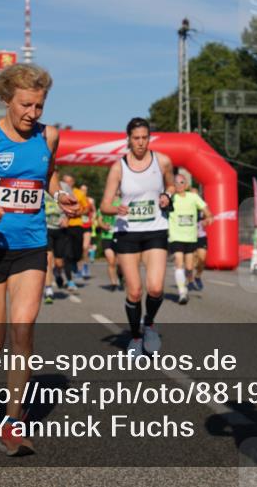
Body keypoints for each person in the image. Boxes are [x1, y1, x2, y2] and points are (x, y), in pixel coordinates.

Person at [0, 63, 78, 456]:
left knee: (23, 330)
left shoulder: (49, 136)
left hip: (31, 247)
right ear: (7, 98)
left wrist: (59, 195)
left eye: (39, 106)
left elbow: (47, 174)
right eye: (25, 105)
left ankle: (12, 420)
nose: (32, 114)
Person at [100, 117, 175, 355]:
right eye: (136, 138)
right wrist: (116, 208)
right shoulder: (118, 167)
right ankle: (134, 337)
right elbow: (104, 205)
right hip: (127, 232)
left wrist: (167, 196)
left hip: (155, 229)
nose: (141, 143)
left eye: (145, 137)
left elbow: (171, 186)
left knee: (155, 288)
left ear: (149, 138)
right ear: (128, 139)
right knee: (134, 291)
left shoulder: (162, 161)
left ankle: (149, 324)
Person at [168, 171, 213, 304]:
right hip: (176, 236)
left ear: (186, 184)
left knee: (189, 267)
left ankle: (190, 281)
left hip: (191, 237)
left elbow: (207, 211)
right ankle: (182, 293)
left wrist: (208, 218)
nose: (179, 185)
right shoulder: (171, 198)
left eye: (182, 182)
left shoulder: (193, 197)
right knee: (178, 262)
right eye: (176, 182)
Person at [62, 174, 88, 289]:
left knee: (77, 253)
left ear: (73, 182)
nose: (67, 184)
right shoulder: (59, 193)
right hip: (64, 227)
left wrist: (77, 213)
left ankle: (75, 263)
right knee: (67, 254)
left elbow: (87, 208)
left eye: (69, 181)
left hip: (77, 225)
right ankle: (70, 280)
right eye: (65, 182)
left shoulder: (79, 193)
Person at [97, 196, 121, 291]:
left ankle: (120, 275)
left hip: (120, 236)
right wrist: (103, 226)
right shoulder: (105, 202)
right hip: (106, 237)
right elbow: (99, 219)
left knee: (120, 263)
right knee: (111, 261)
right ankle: (113, 283)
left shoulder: (122, 201)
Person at [43, 191, 62, 304]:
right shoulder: (40, 183)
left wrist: (66, 217)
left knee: (59, 263)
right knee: (48, 259)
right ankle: (48, 289)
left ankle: (58, 273)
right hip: (45, 227)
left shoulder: (63, 188)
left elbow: (70, 204)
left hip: (60, 228)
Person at [193, 213, 209, 291]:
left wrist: (207, 220)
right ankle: (188, 280)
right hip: (189, 238)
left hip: (201, 238)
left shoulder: (202, 207)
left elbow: (209, 217)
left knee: (202, 260)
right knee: (191, 263)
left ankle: (197, 276)